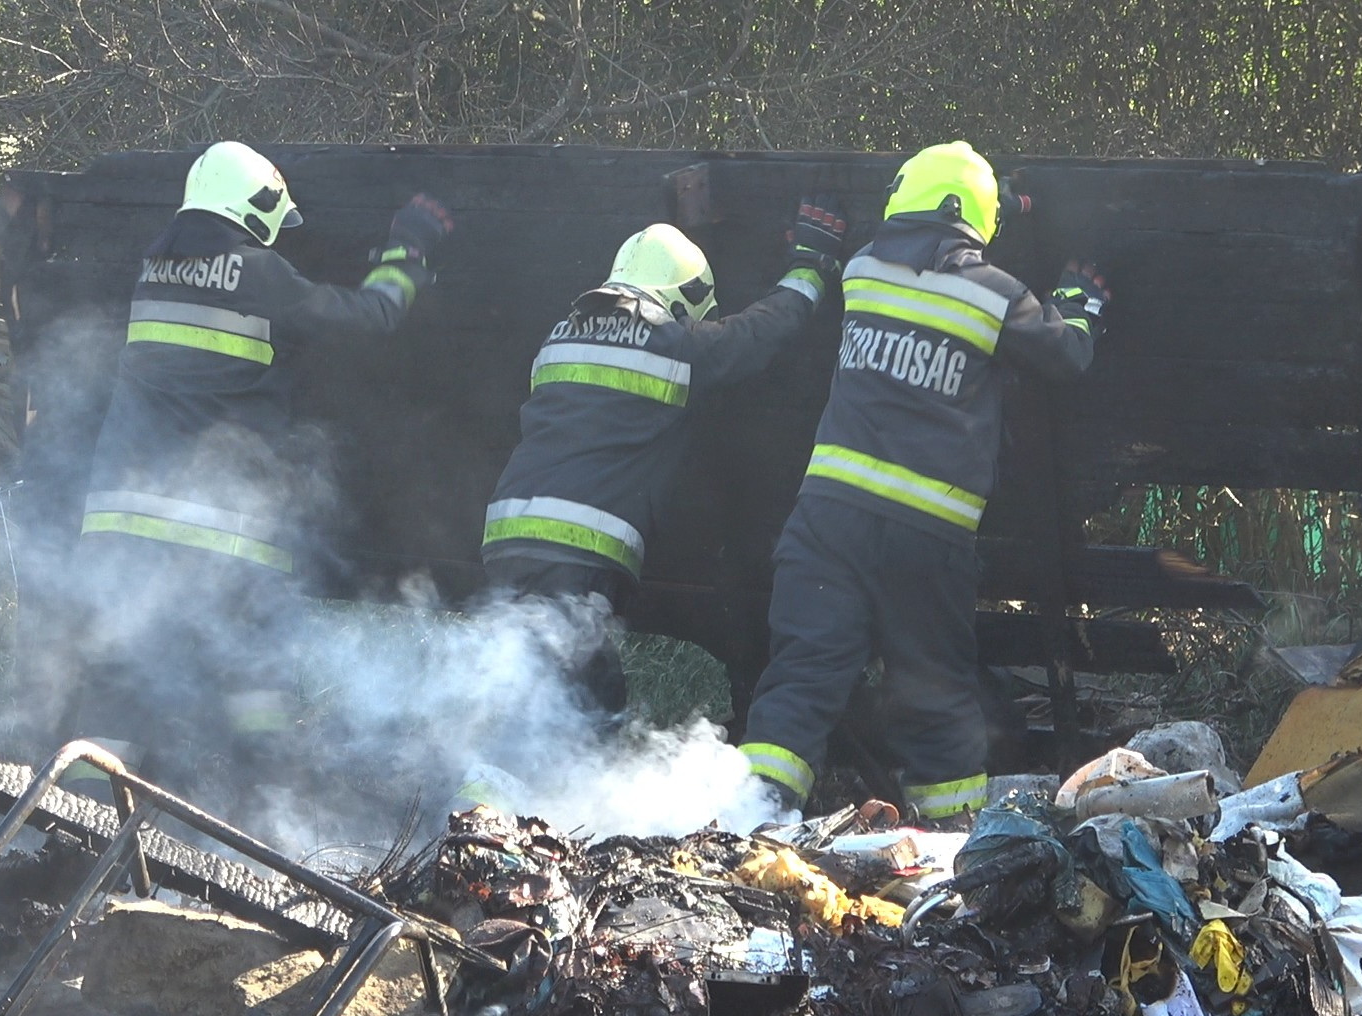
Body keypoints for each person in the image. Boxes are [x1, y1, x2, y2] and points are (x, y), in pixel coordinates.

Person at [736, 141, 1111, 821]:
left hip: (827, 522)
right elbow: (1065, 354)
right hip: (925, 538)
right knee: (931, 693)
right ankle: (948, 846)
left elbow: (921, 248)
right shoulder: (995, 295)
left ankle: (748, 825)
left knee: (801, 677)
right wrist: (1079, 302)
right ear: (970, 214)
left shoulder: (860, 270)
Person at [66, 140, 453, 788]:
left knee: (118, 679)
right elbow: (370, 316)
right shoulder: (257, 273)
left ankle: (73, 836)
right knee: (255, 677)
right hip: (218, 533)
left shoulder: (151, 270)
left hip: (122, 526)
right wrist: (405, 255)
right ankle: (268, 813)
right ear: (256, 206)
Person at [481, 200, 848, 715]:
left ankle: (517, 775)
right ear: (683, 297)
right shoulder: (669, 346)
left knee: (548, 678)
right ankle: (512, 783)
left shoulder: (558, 338)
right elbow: (759, 333)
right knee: (573, 701)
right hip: (577, 550)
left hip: (507, 537)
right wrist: (810, 266)